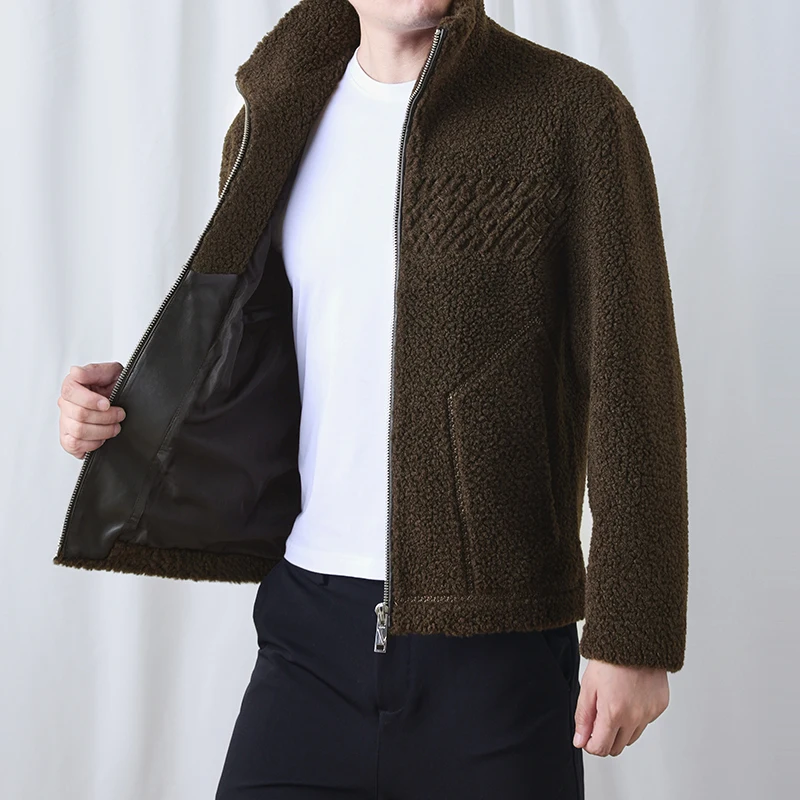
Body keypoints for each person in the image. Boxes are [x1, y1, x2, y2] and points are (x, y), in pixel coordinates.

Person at [55, 0, 689, 797]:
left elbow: (634, 380)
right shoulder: (269, 124)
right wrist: (127, 413)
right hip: (307, 636)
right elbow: (262, 358)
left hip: (499, 651)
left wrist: (635, 634)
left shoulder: (572, 113)